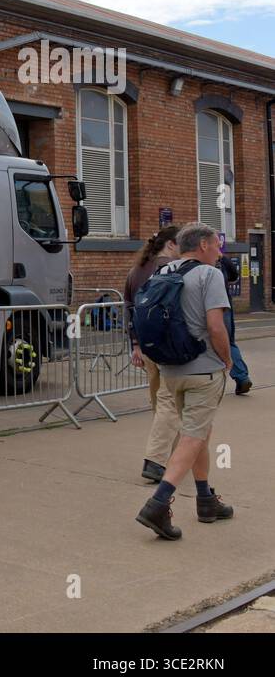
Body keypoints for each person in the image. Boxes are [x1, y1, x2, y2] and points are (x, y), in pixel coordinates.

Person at [135, 222, 234, 540]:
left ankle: (206, 500)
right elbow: (216, 327)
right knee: (193, 436)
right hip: (203, 370)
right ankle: (158, 503)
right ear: (203, 244)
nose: (219, 251)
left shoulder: (163, 271)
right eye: (217, 244)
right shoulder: (209, 275)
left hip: (171, 370)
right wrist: (227, 359)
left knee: (199, 432)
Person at [124, 225, 180, 483]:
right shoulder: (172, 269)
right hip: (169, 345)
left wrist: (135, 343)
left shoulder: (137, 270)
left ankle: (175, 456)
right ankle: (158, 459)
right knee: (172, 403)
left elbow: (129, 307)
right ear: (171, 244)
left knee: (160, 403)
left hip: (146, 346)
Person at [218, 254, 252, 394]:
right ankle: (242, 377)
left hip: (204, 308)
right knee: (228, 342)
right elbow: (233, 276)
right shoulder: (222, 259)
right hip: (224, 305)